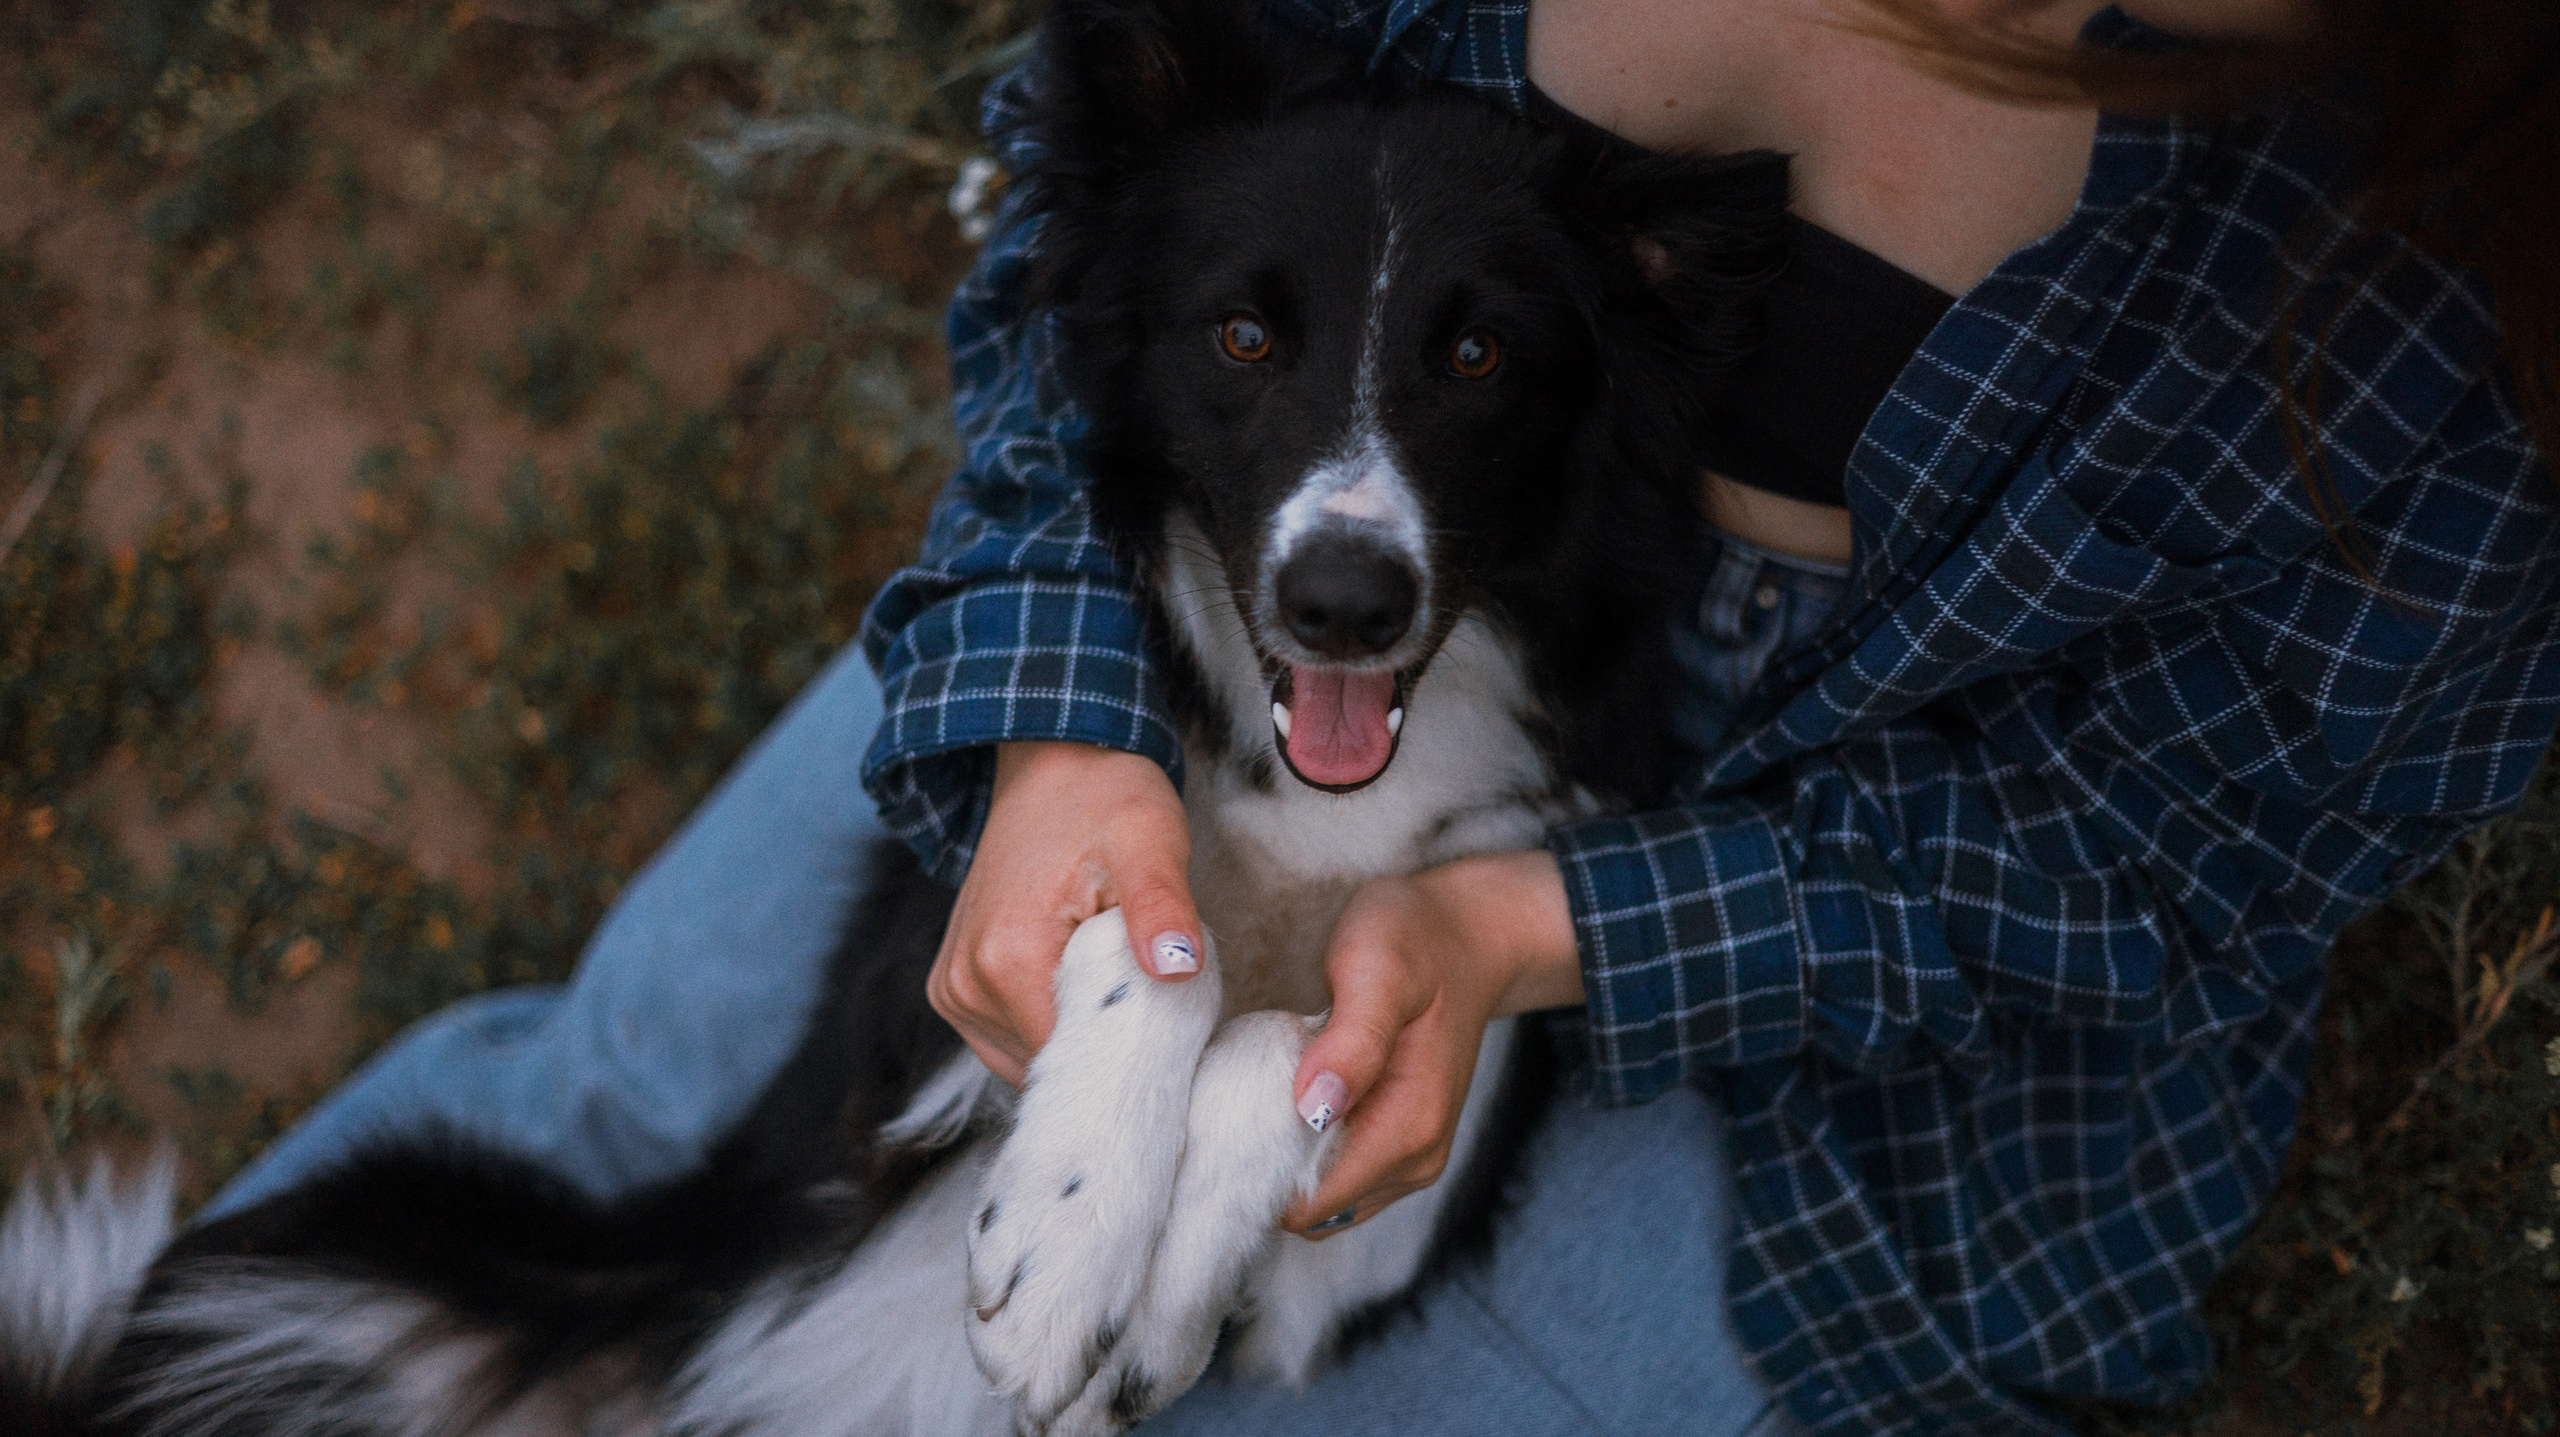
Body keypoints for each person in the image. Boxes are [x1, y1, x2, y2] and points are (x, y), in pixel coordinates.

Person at [209, 0, 2559, 1433]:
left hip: (1864, 1098)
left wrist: (1515, 933)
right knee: (619, 1096)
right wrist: (1052, 720)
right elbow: (1096, 211)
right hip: (1190, 623)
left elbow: (2148, 851)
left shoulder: (2453, 309)